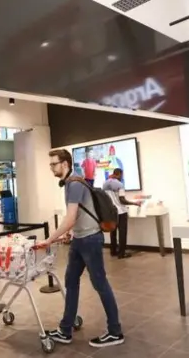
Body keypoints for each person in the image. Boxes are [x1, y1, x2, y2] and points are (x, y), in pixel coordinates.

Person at [37, 149, 124, 348]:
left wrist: (49, 239)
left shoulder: (74, 184)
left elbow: (69, 217)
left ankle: (115, 331)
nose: (51, 168)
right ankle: (65, 329)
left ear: (65, 164)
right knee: (71, 281)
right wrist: (71, 232)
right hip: (79, 240)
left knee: (100, 283)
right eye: (50, 164)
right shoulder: (71, 183)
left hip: (89, 241)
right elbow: (76, 217)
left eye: (54, 164)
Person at [102, 168, 139, 259]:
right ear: (119, 174)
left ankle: (113, 251)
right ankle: (121, 253)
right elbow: (122, 200)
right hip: (121, 212)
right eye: (121, 175)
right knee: (122, 233)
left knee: (113, 232)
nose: (122, 177)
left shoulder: (105, 183)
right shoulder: (120, 184)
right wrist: (134, 203)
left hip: (111, 212)